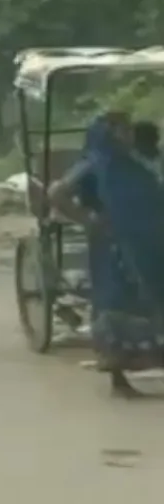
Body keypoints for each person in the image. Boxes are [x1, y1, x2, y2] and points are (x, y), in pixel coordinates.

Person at [49, 114, 164, 398]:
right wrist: (89, 219)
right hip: (115, 247)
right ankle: (119, 380)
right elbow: (57, 193)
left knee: (153, 302)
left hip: (149, 242)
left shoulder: (140, 160)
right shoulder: (94, 163)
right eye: (122, 129)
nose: (129, 134)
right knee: (117, 304)